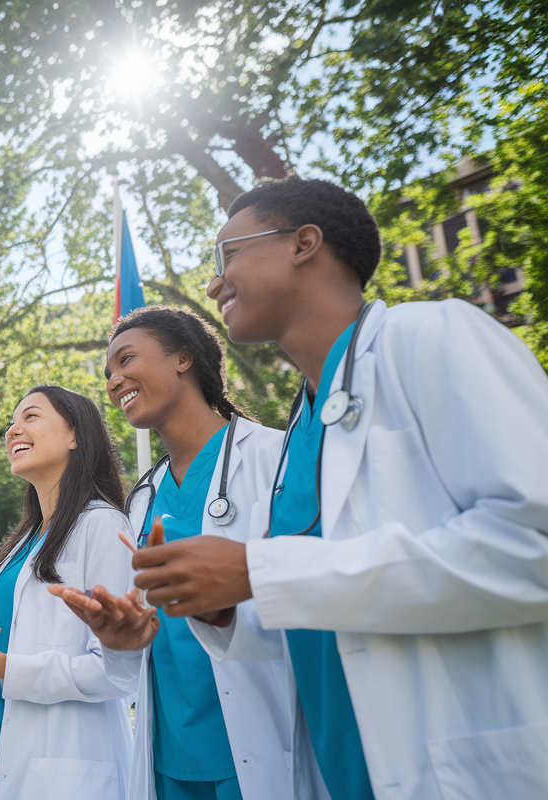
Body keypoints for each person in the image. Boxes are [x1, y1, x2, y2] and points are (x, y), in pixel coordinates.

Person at [132, 176, 548, 800]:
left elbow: (532, 546)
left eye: (230, 255)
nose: (215, 284)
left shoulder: (430, 337)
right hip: (338, 771)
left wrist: (260, 572)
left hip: (467, 768)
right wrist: (223, 608)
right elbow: (320, 613)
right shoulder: (302, 429)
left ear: (304, 243)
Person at [50, 306, 325, 800]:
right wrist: (121, 636)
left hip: (262, 738)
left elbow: (316, 591)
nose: (114, 380)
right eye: (108, 372)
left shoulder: (274, 458)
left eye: (126, 359)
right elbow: (139, 641)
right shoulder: (142, 498)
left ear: (183, 358)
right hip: (170, 752)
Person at [0, 385, 141, 800]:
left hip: (65, 771)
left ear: (75, 435)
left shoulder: (103, 526)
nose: (12, 430)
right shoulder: (24, 542)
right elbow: (6, 653)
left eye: (30, 416)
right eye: (11, 422)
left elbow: (119, 672)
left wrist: (2, 665)